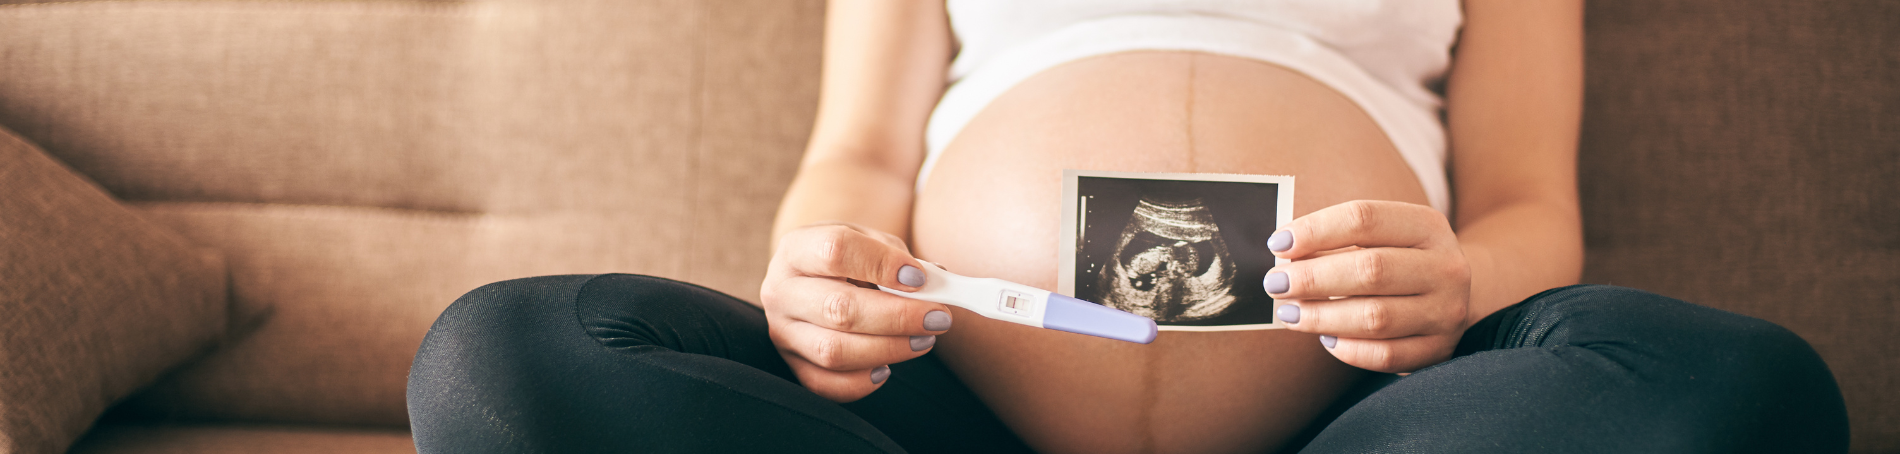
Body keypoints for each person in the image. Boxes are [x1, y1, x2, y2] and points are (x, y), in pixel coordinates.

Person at [406, 1, 1849, 452]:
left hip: (1366, 412)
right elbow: (852, 155)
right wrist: (818, 278)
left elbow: (1535, 204)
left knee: (1755, 389)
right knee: (501, 360)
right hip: (957, 403)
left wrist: (1462, 278)